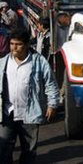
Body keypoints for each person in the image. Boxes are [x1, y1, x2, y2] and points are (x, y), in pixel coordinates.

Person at [0, 28, 60, 163]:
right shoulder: (3, 62)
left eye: (18, 44)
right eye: (12, 44)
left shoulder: (39, 62)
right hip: (7, 113)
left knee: (28, 151)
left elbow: (50, 84)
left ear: (27, 45)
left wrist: (52, 104)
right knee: (3, 149)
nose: (14, 48)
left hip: (30, 114)